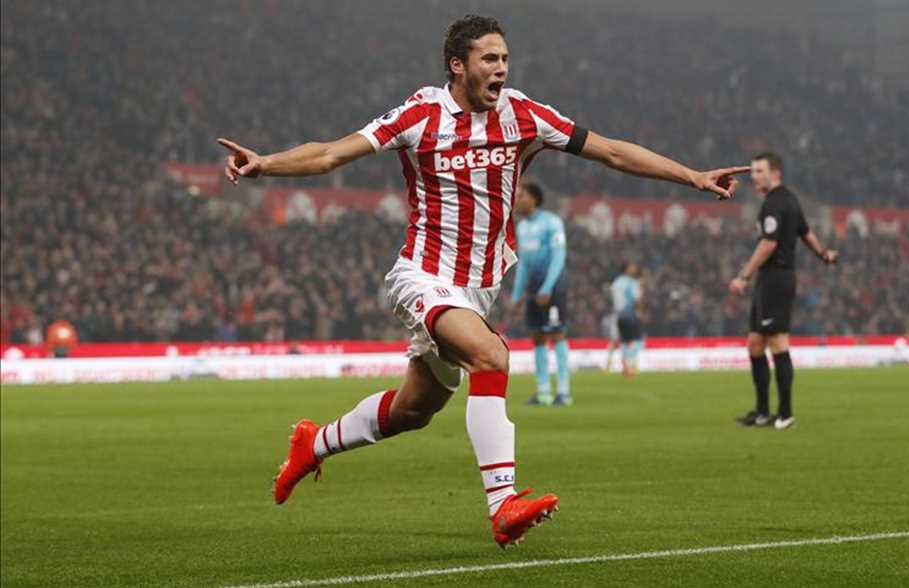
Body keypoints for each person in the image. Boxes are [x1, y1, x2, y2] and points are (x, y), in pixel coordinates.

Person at [218, 14, 749, 548]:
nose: (501, 68)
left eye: (505, 58)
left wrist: (692, 176)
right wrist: (266, 164)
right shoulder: (422, 114)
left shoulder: (523, 115)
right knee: (491, 357)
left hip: (477, 290)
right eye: (489, 59)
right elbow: (333, 152)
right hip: (423, 275)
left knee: (413, 410)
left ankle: (313, 445)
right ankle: (503, 505)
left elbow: (610, 150)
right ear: (458, 65)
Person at [729, 152, 838, 430]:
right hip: (769, 279)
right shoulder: (788, 199)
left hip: (777, 278)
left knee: (777, 341)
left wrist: (743, 276)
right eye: (753, 172)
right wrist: (824, 254)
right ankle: (763, 412)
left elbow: (769, 244)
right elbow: (805, 232)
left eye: (759, 171)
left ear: (775, 172)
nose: (754, 177)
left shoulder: (775, 203)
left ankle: (785, 414)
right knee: (755, 343)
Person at [510, 182, 572, 406]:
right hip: (533, 288)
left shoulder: (552, 222)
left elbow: (559, 255)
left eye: (521, 196)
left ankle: (563, 392)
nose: (517, 200)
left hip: (553, 286)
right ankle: (543, 391)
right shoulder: (522, 227)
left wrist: (547, 287)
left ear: (534, 198)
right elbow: (524, 264)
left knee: (556, 334)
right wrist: (517, 294)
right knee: (537, 336)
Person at [610, 262, 644, 376]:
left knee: (625, 341)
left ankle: (625, 367)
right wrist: (640, 312)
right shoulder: (631, 282)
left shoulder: (616, 282)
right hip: (630, 314)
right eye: (632, 267)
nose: (634, 269)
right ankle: (628, 363)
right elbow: (636, 298)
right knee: (638, 340)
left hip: (619, 316)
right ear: (627, 269)